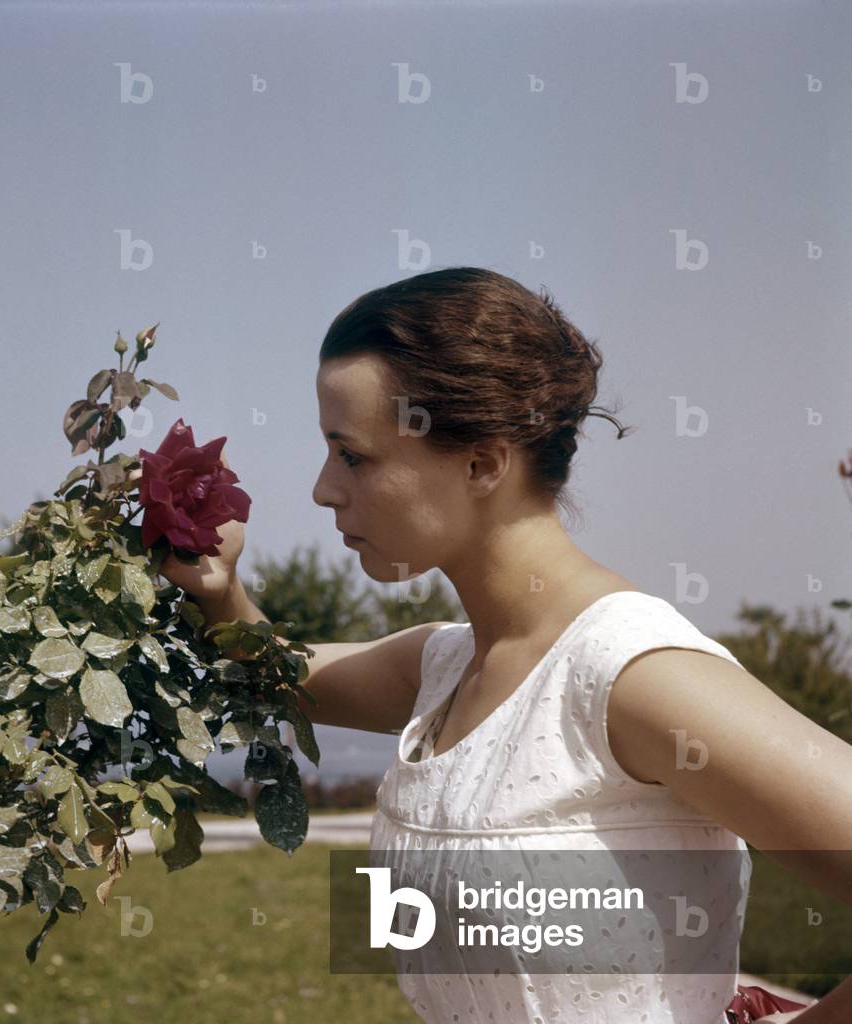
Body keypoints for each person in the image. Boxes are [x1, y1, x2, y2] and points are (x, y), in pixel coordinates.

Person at [152, 267, 852, 1023]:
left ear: (482, 463)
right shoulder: (444, 665)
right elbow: (273, 673)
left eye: (351, 454)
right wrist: (217, 589)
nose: (323, 489)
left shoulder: (635, 677)